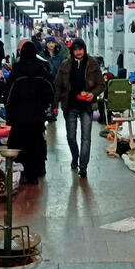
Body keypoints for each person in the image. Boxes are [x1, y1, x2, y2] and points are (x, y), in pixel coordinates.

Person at [5, 42, 55, 185]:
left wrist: (10, 109)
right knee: (36, 144)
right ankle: (34, 174)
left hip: (19, 117)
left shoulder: (17, 71)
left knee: (18, 143)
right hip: (37, 117)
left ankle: (19, 172)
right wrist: (45, 105)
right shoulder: (42, 71)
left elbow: (8, 94)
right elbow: (50, 92)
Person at [53, 38, 104, 178]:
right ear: (72, 51)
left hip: (86, 107)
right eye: (75, 49)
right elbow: (57, 86)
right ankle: (75, 157)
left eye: (80, 49)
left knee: (86, 138)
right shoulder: (65, 65)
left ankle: (83, 166)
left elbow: (101, 84)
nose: (78, 52)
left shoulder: (93, 64)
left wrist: (92, 94)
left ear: (84, 49)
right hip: (69, 106)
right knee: (70, 137)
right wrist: (55, 105)